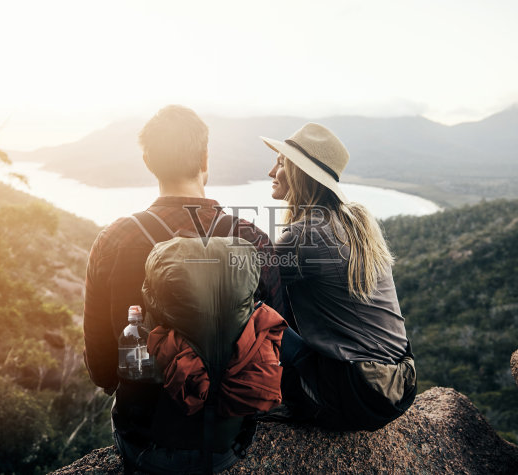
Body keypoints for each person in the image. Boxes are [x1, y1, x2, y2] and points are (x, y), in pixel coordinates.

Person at [84, 105, 284, 473]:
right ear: (205, 157)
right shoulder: (251, 239)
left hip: (145, 442)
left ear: (148, 161)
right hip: (228, 440)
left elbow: (102, 371)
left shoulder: (114, 240)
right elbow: (275, 343)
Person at [260, 122, 417, 431]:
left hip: (356, 394)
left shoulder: (306, 235)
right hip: (397, 387)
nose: (270, 171)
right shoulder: (351, 222)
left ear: (297, 174)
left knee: (250, 312)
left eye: (280, 163)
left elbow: (252, 288)